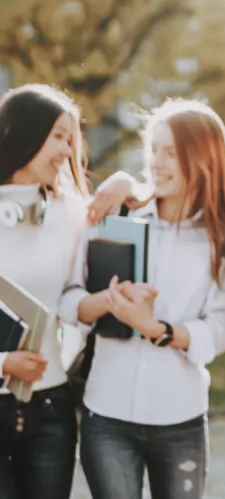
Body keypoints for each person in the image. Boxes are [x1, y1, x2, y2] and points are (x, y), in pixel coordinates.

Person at [59, 98, 225, 499]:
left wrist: (156, 329)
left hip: (181, 418)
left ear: (204, 159)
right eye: (153, 150)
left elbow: (221, 330)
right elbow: (71, 301)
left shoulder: (221, 238)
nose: (156, 162)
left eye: (171, 153)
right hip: (106, 414)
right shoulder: (117, 219)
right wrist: (109, 300)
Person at [0, 84, 90, 499]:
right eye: (58, 135)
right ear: (22, 133)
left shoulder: (72, 214)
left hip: (53, 409)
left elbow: (73, 294)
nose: (67, 151)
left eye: (70, 139)